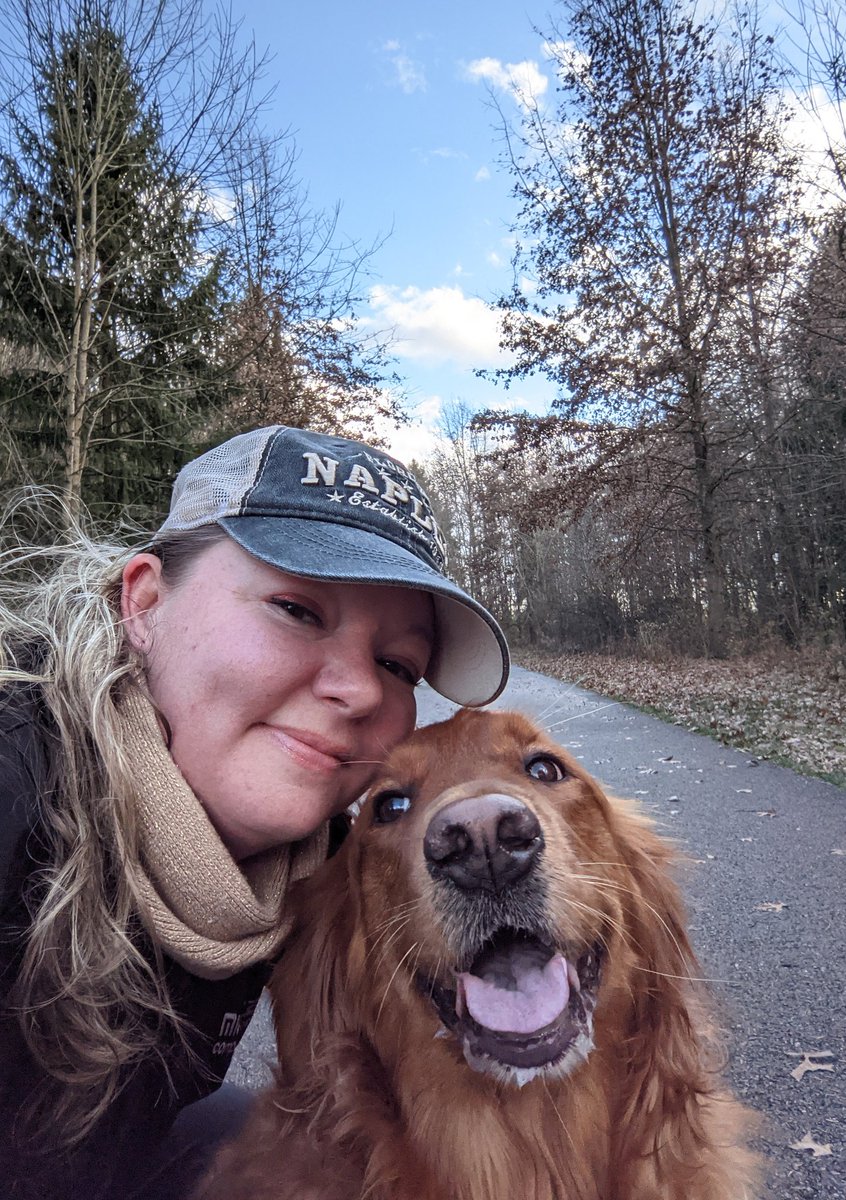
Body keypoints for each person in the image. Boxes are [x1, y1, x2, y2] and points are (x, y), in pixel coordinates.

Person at [0, 425, 509, 1200]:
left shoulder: (330, 860)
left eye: (398, 664)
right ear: (143, 602)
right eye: (298, 610)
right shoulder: (17, 774)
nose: (363, 691)